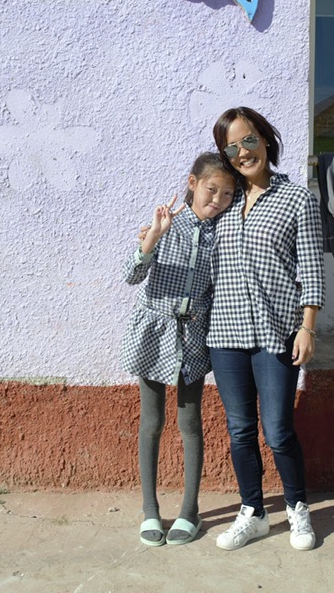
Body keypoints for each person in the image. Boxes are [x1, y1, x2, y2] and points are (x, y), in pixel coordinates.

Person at [207, 107, 325, 552]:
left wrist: (308, 327)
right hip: (225, 336)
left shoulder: (297, 199)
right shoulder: (225, 201)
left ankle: (298, 510)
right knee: (240, 430)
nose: (242, 152)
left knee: (277, 431)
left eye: (248, 140)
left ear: (265, 139)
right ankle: (253, 512)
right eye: (232, 147)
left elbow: (312, 269)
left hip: (277, 332)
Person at [121, 152, 236, 547]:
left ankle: (190, 511)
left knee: (190, 423)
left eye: (226, 193)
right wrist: (152, 236)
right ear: (192, 183)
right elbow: (131, 276)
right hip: (155, 330)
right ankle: (150, 510)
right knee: (151, 422)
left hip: (194, 337)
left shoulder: (225, 232)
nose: (217, 199)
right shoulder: (167, 224)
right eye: (210, 189)